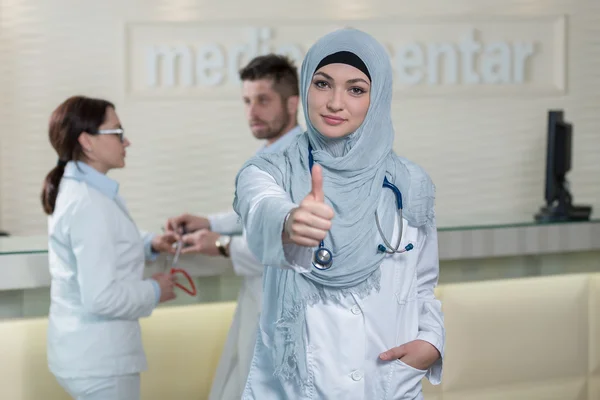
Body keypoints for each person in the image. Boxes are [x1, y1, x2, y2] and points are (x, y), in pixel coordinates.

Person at [233, 28, 445, 399]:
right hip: (295, 388)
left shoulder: (409, 182)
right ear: (305, 89)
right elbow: (261, 204)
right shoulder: (268, 170)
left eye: (356, 89)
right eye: (322, 84)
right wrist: (290, 221)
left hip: (387, 382)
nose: (334, 102)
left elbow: (423, 281)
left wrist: (430, 342)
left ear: (377, 97)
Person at [164, 54, 302, 400]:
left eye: (263, 100)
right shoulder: (269, 155)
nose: (252, 112)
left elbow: (292, 248)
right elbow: (255, 214)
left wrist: (224, 245)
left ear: (293, 103)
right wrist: (209, 222)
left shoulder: (304, 164)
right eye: (246, 101)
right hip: (258, 302)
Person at [41, 95, 179, 400]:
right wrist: (156, 290)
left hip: (85, 355)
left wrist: (150, 243)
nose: (126, 141)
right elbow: (101, 298)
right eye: (117, 133)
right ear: (87, 142)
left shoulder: (86, 191)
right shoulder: (87, 203)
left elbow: (105, 241)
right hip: (99, 362)